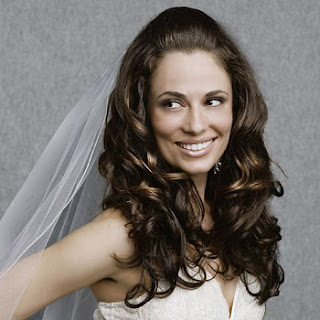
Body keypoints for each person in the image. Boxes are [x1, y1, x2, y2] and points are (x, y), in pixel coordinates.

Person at [0, 6, 284, 320]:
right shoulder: (122, 234)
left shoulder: (235, 221)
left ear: (237, 108)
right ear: (143, 113)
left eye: (213, 100)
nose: (196, 124)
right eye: (172, 103)